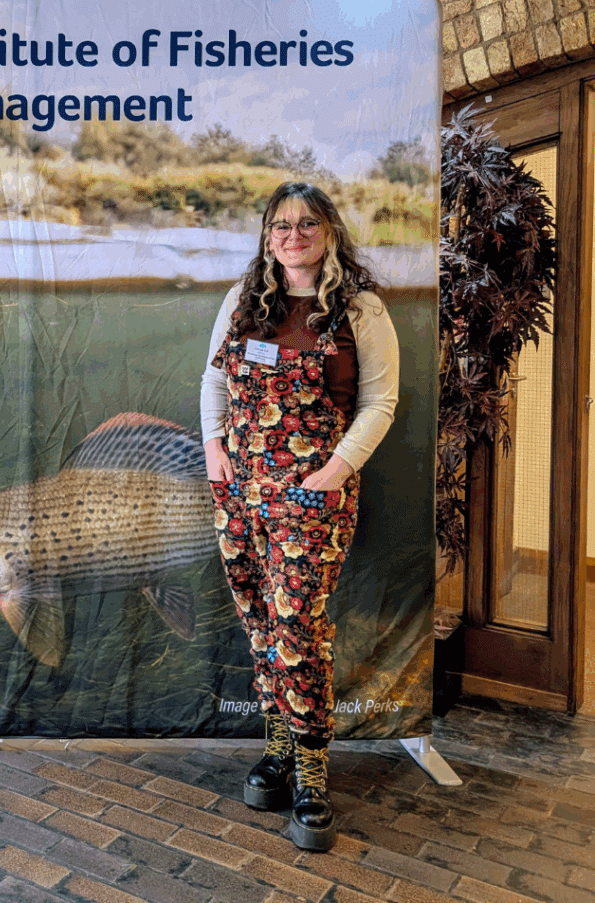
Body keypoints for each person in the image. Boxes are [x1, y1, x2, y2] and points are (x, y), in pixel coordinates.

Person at [201, 180, 398, 851]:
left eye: (306, 223)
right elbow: (214, 379)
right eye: (280, 224)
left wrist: (333, 473)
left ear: (329, 232)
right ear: (267, 235)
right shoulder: (242, 301)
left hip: (313, 501)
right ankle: (278, 749)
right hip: (240, 493)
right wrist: (214, 450)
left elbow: (379, 403)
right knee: (260, 624)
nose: (292, 234)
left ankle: (313, 771)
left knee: (299, 627)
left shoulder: (361, 310)